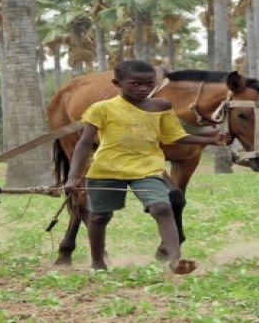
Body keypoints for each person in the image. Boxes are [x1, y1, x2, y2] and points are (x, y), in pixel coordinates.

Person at [64, 60, 234, 274]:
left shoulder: (161, 107)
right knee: (99, 217)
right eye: (136, 84)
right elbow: (85, 143)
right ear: (117, 83)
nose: (143, 89)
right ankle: (97, 262)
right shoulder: (101, 108)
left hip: (147, 168)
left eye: (149, 84)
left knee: (162, 207)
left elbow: (174, 135)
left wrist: (211, 140)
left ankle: (174, 260)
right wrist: (72, 177)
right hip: (107, 168)